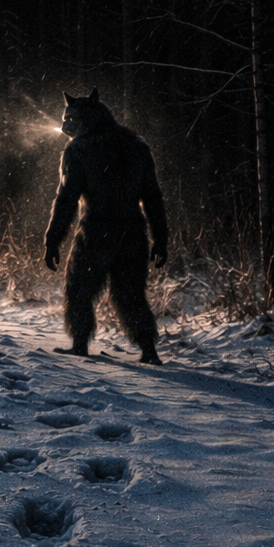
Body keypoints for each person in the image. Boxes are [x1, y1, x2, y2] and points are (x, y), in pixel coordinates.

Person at [44, 88, 169, 364]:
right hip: (133, 232)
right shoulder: (137, 146)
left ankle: (79, 345)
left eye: (71, 121)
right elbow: (152, 197)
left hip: (96, 231)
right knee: (132, 294)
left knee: (79, 289)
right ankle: (149, 350)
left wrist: (53, 239)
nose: (65, 128)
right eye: (65, 120)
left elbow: (66, 200)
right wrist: (161, 238)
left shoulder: (78, 150)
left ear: (86, 118)